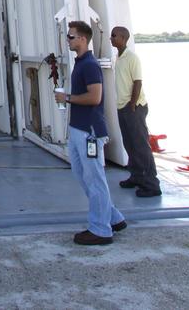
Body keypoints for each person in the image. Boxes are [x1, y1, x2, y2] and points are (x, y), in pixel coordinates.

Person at [55, 20, 127, 245]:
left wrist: (66, 98)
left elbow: (95, 97)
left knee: (94, 179)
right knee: (82, 174)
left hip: (89, 131)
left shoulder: (89, 65)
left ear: (83, 39)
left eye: (71, 36)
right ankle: (114, 217)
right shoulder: (81, 63)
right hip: (79, 129)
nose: (68, 39)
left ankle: (100, 229)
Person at [111, 26, 162, 197]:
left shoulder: (132, 58)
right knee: (129, 144)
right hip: (122, 106)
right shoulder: (118, 57)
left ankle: (151, 184)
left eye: (114, 35)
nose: (111, 38)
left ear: (124, 38)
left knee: (140, 146)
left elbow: (137, 82)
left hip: (133, 107)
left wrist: (132, 104)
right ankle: (136, 176)